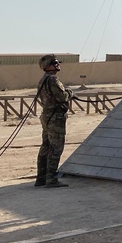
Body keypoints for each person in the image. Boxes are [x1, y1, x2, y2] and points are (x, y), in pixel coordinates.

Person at [35, 54, 73, 188]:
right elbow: (62, 97)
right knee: (56, 148)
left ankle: (41, 178)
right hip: (55, 118)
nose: (58, 65)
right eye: (55, 63)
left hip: (46, 116)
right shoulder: (53, 80)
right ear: (48, 66)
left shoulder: (43, 80)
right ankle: (51, 179)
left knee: (45, 147)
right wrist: (69, 93)